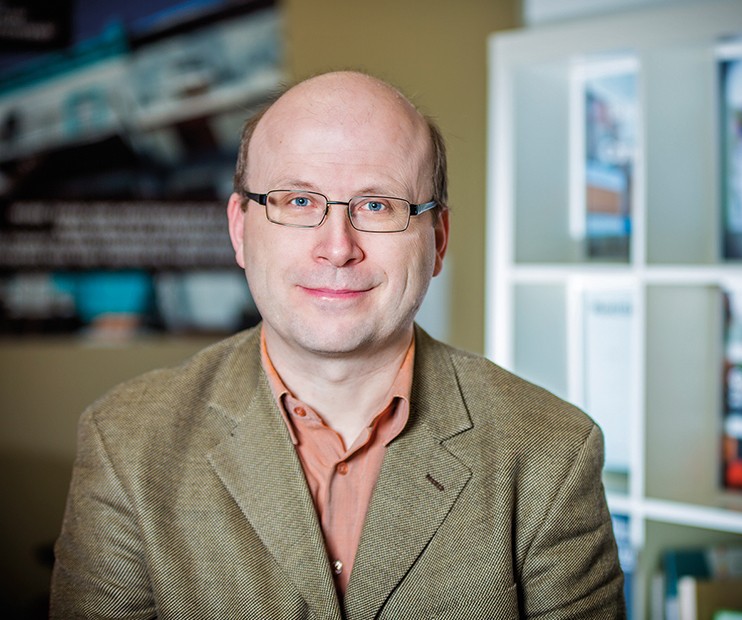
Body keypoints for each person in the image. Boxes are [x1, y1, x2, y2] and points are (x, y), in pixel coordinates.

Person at [50, 70, 626, 619]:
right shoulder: (126, 442)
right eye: (298, 201)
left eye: (378, 206)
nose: (337, 247)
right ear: (240, 229)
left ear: (438, 239)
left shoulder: (552, 453)